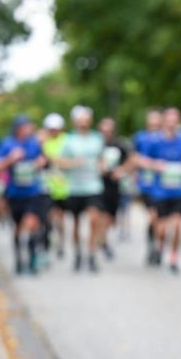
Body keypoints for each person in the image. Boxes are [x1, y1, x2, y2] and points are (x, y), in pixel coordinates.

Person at [137, 106, 181, 274]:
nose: (171, 123)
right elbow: (141, 160)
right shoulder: (154, 141)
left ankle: (174, 258)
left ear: (179, 121)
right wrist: (155, 165)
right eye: (169, 120)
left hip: (180, 191)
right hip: (159, 191)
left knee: (178, 225)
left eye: (175, 120)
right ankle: (159, 245)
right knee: (161, 229)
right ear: (164, 121)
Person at [0, 115, 46, 274]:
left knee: (31, 224)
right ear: (18, 128)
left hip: (33, 191)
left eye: (29, 126)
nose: (29, 129)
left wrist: (39, 163)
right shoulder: (6, 143)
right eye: (26, 126)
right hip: (14, 193)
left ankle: (31, 261)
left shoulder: (34, 143)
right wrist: (11, 158)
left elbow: (43, 159)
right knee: (17, 227)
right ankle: (18, 261)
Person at [58, 105, 105, 273]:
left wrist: (102, 167)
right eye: (80, 120)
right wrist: (74, 163)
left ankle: (91, 254)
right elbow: (60, 162)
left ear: (90, 121)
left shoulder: (97, 139)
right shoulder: (68, 140)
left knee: (94, 220)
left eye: (86, 120)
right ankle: (78, 253)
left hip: (93, 186)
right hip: (74, 188)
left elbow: (101, 159)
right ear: (75, 122)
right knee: (76, 223)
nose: (83, 123)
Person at [96, 116, 135, 260]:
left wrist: (121, 171)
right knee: (99, 215)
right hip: (97, 186)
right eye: (104, 131)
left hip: (115, 187)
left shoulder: (121, 144)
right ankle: (102, 242)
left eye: (109, 131)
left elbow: (132, 160)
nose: (106, 133)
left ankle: (102, 238)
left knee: (111, 220)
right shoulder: (95, 145)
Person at [134, 108, 164, 260]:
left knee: (160, 218)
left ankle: (157, 244)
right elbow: (135, 157)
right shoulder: (141, 137)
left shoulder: (166, 138)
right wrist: (150, 164)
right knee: (154, 216)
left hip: (165, 185)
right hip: (147, 184)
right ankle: (153, 244)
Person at [41, 113, 70, 260]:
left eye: (56, 128)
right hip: (48, 186)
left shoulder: (67, 141)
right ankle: (49, 241)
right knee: (48, 217)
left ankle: (61, 243)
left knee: (60, 218)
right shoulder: (43, 142)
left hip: (64, 186)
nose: (54, 131)